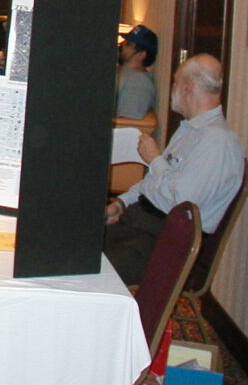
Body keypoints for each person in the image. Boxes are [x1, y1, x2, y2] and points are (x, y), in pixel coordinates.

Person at [104, 53, 244, 284]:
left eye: (175, 82)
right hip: (139, 222)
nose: (172, 89)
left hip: (161, 240)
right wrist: (121, 203)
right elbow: (155, 183)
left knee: (83, 269)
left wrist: (155, 159)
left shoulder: (217, 142)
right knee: (70, 242)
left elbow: (183, 202)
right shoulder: (191, 132)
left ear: (187, 87)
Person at [116, 24, 158, 120]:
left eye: (128, 44)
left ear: (141, 55)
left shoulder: (138, 81)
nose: (121, 45)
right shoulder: (123, 72)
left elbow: (127, 122)